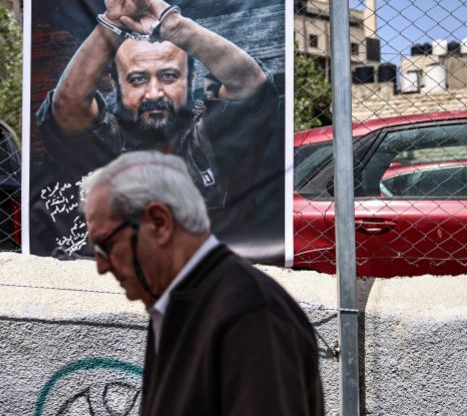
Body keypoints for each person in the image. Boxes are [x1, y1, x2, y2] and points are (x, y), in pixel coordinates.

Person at [36, 0, 281, 251]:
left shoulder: (210, 137)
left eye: (168, 76)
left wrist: (176, 27)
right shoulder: (105, 143)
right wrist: (111, 23)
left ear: (189, 79)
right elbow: (67, 105)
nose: (154, 92)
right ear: (117, 84)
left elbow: (252, 83)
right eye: (137, 79)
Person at [81, 150, 324, 416]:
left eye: (106, 245)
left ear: (159, 223)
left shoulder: (249, 313)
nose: (102, 266)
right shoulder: (176, 304)